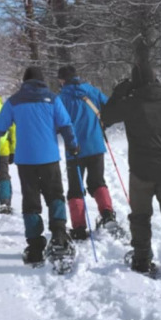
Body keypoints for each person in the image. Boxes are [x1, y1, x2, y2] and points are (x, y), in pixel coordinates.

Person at [99, 62, 161, 279]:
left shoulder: (131, 103)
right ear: (154, 79)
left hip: (141, 170)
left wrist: (119, 92)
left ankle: (142, 259)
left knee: (141, 216)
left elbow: (106, 115)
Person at [0, 66, 79, 265]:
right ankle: (59, 235)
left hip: (26, 160)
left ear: (24, 81)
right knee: (55, 195)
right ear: (41, 80)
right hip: (49, 158)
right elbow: (66, 124)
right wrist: (72, 145)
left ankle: (35, 245)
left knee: (31, 202)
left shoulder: (14, 101)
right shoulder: (52, 98)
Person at [55, 65, 118, 240]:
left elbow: (56, 125)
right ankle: (107, 214)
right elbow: (110, 110)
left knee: (75, 188)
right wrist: (103, 125)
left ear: (62, 80)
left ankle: (79, 227)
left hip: (74, 150)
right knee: (98, 182)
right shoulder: (91, 90)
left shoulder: (61, 98)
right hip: (96, 146)